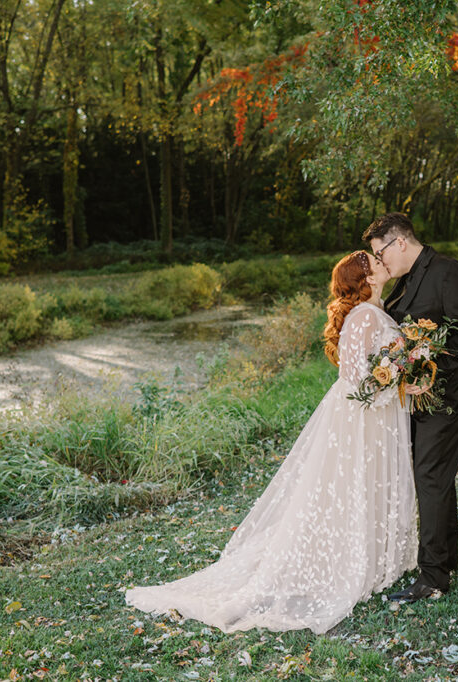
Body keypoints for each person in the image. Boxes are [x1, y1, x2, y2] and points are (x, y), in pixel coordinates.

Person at [124, 251, 417, 634]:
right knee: (355, 485)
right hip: (362, 418)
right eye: (372, 263)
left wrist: (404, 372)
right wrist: (395, 379)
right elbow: (353, 378)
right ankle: (352, 560)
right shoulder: (363, 315)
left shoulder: (376, 310)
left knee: (367, 483)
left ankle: (377, 555)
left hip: (376, 418)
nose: (380, 263)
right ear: (364, 279)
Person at [363, 213, 458, 604]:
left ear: (400, 242)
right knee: (435, 476)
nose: (380, 262)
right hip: (420, 396)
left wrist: (429, 365)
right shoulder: (406, 280)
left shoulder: (448, 272)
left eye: (380, 253)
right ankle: (446, 557)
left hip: (451, 395)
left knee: (430, 475)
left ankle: (433, 577)